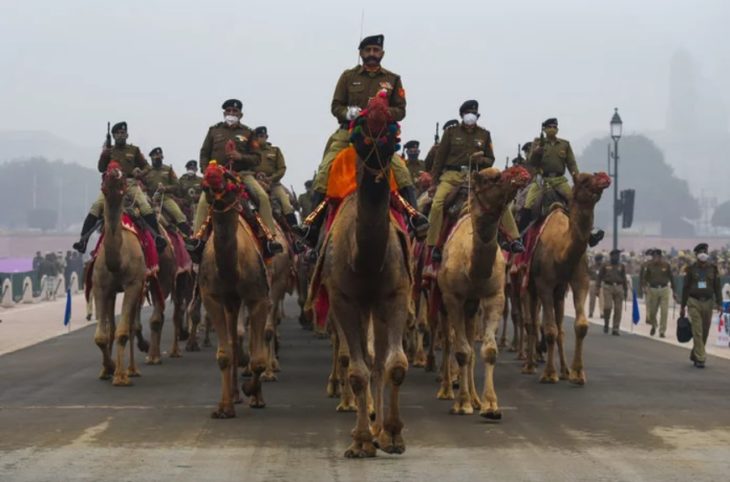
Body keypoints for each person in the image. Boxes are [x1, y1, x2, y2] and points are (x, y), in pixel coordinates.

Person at [299, 34, 424, 246]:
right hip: (348, 132)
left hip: (380, 135)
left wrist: (383, 112)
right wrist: (348, 112)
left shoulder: (393, 79)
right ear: (361, 53)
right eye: (368, 51)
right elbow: (335, 106)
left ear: (382, 53)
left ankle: (415, 217)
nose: (372, 55)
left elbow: (401, 110)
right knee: (326, 169)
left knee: (401, 171)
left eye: (376, 51)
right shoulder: (348, 77)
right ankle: (311, 225)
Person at [426, 100, 523, 262]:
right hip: (451, 177)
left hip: (476, 178)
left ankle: (514, 239)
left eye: (473, 114)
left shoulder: (484, 135)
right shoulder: (451, 133)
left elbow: (490, 159)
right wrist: (434, 183)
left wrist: (481, 160)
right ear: (462, 115)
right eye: (467, 114)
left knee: (499, 201)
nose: (470, 117)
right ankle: (433, 244)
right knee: (437, 204)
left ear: (477, 116)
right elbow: (439, 160)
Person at [190, 99, 282, 258]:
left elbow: (257, 158)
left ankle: (269, 238)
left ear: (241, 114)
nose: (231, 114)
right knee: (204, 201)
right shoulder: (214, 131)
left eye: (235, 111)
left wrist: (240, 157)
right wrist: (207, 172)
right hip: (218, 175)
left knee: (262, 197)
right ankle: (198, 238)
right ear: (224, 113)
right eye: (229, 111)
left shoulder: (248, 133)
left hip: (242, 175)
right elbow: (204, 153)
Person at [72, 121, 166, 253]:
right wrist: (104, 155)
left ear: (127, 135)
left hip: (130, 183)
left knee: (144, 206)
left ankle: (158, 238)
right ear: (114, 136)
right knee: (96, 207)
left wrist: (140, 173)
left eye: (123, 133)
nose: (121, 135)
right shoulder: (109, 151)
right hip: (111, 185)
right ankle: (83, 241)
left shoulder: (134, 150)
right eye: (118, 133)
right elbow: (101, 168)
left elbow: (147, 166)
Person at [519, 118, 603, 246]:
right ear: (545, 129)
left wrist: (577, 178)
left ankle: (589, 235)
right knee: (528, 203)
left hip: (559, 180)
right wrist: (536, 152)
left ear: (557, 129)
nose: (552, 129)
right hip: (542, 179)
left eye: (554, 127)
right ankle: (518, 237)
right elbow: (531, 163)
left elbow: (571, 164)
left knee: (574, 202)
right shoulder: (538, 142)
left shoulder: (564, 144)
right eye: (549, 127)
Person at [680, 243, 722, 368]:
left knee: (705, 331)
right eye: (701, 252)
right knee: (697, 330)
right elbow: (686, 288)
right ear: (696, 255)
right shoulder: (691, 269)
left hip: (708, 303)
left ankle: (695, 353)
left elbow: (717, 287)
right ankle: (701, 358)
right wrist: (683, 306)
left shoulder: (713, 269)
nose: (703, 254)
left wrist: (719, 303)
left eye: (705, 251)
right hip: (694, 302)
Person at [253, 126, 298, 228]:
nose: (260, 138)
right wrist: (256, 176)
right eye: (258, 136)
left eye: (262, 136)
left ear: (266, 136)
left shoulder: (275, 151)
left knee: (285, 202)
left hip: (274, 184)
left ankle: (295, 229)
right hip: (256, 183)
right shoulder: (251, 152)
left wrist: (271, 178)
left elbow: (282, 168)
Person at [142, 147, 191, 236]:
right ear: (151, 158)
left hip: (165, 198)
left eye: (159, 155)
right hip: (150, 199)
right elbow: (142, 184)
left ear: (162, 157)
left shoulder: (168, 169)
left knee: (179, 216)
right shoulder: (147, 170)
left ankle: (187, 239)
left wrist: (166, 188)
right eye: (155, 156)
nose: (158, 157)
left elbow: (177, 185)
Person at [642, 249, 677, 337]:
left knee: (664, 311)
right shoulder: (649, 266)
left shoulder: (666, 265)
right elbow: (644, 278)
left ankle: (662, 331)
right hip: (653, 290)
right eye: (654, 256)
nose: (655, 258)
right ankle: (654, 325)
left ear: (660, 257)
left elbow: (671, 278)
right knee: (652, 312)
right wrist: (644, 287)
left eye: (657, 256)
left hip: (664, 289)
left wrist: (674, 291)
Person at [598, 249, 627, 335]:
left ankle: (615, 328)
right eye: (615, 255)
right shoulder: (605, 265)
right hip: (608, 287)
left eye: (618, 256)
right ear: (611, 256)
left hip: (619, 287)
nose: (617, 257)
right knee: (608, 307)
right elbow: (599, 277)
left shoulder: (621, 266)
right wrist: (597, 287)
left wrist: (625, 290)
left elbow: (624, 278)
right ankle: (606, 323)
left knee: (618, 309)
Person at [588, 253, 604, 318]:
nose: (600, 261)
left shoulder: (603, 267)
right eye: (599, 259)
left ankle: (602, 313)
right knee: (592, 299)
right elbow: (588, 275)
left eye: (601, 259)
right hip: (593, 282)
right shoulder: (592, 267)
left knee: (602, 298)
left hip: (601, 283)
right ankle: (591, 312)